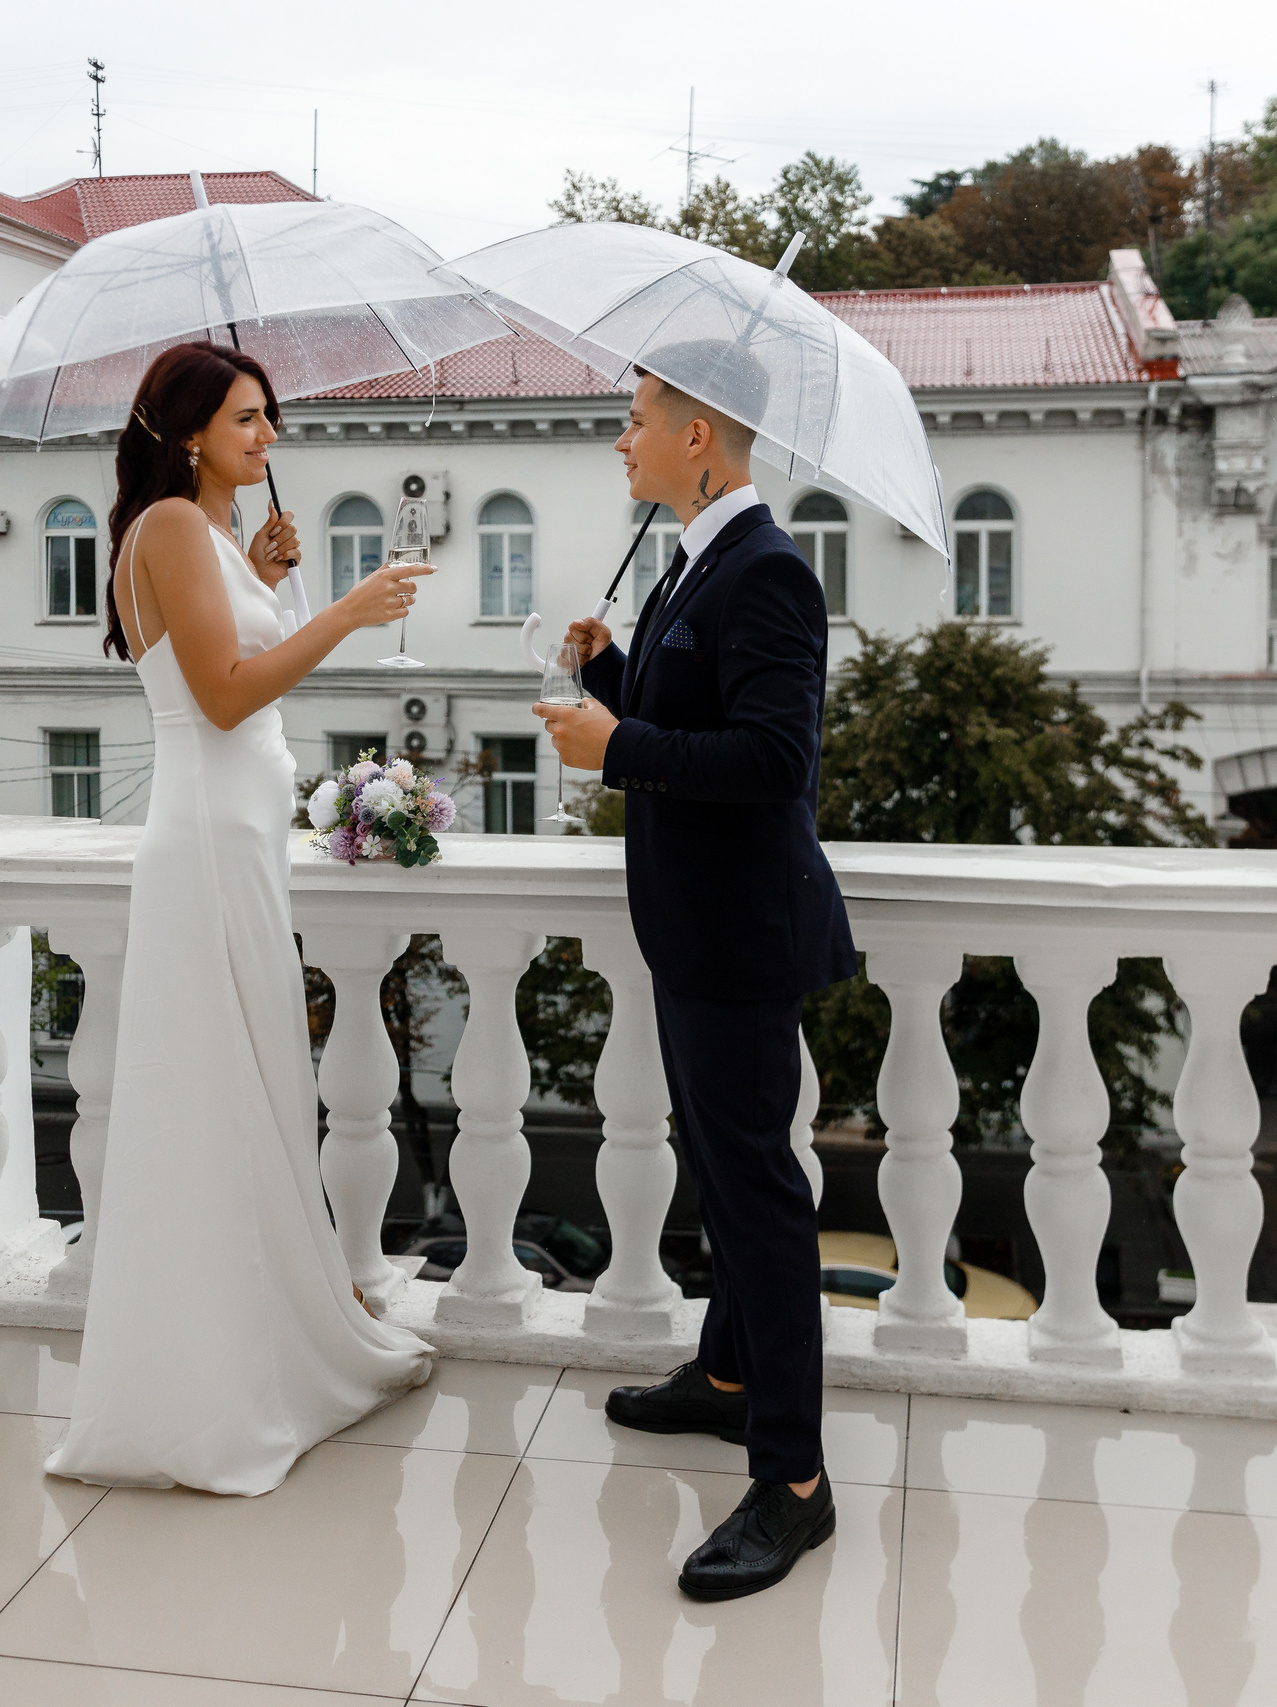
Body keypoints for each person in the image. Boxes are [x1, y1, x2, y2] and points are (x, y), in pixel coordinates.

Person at [43, 341, 437, 1497]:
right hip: (212, 843)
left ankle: (255, 1336)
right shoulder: (167, 525)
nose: (267, 437)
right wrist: (350, 613)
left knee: (252, 1093)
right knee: (228, 1096)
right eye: (247, 419)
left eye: (268, 418)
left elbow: (223, 650)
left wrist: (262, 572)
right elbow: (220, 696)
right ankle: (218, 1386)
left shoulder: (196, 534)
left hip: (235, 839)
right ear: (187, 434)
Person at [533, 350, 857, 1599]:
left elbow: (773, 761)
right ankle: (726, 1380)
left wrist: (618, 743)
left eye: (634, 423)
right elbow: (697, 719)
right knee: (721, 1173)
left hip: (737, 937)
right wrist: (614, 673)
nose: (622, 442)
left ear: (700, 439)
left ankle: (794, 1482)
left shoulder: (767, 570)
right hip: (692, 927)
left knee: (759, 1198)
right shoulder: (696, 560)